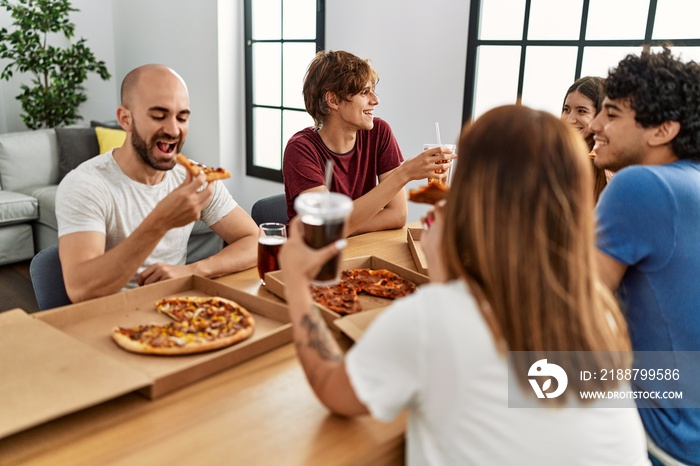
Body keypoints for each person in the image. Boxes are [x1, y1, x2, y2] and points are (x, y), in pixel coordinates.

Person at [279, 105, 650, 465]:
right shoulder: (598, 309)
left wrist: (296, 283)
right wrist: (446, 280)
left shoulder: (434, 318)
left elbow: (333, 389)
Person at [56, 64, 258, 303]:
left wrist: (195, 269)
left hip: (176, 312)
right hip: (109, 318)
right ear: (125, 119)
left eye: (182, 117)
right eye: (158, 116)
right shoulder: (85, 185)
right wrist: (160, 221)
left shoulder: (194, 178)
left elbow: (256, 240)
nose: (173, 130)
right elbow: (81, 289)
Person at [591, 48, 700, 465]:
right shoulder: (688, 181)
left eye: (612, 114)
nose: (597, 126)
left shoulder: (641, 185)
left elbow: (567, 311)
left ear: (663, 130)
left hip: (659, 444)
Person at [282, 50, 456, 235]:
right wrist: (404, 174)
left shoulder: (379, 132)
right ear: (333, 100)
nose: (376, 100)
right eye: (365, 93)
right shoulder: (301, 149)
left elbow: (398, 215)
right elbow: (325, 229)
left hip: (360, 248)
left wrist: (344, 226)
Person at [561, 76, 609, 202]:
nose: (569, 120)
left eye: (581, 111)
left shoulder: (611, 166)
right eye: (566, 110)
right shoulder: (553, 157)